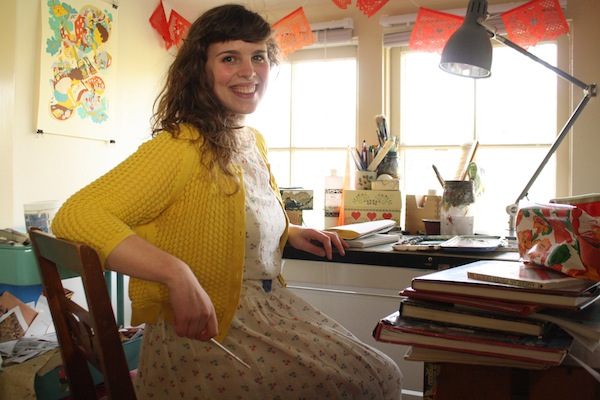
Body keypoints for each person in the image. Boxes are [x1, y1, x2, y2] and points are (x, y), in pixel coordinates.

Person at [52, 4, 402, 399]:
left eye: (259, 56)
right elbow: (75, 215)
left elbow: (227, 214)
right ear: (200, 70)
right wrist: (175, 273)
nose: (249, 71)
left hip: (265, 311)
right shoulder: (182, 145)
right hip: (211, 331)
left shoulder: (253, 141)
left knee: (380, 375)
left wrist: (288, 231)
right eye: (229, 58)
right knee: (376, 380)